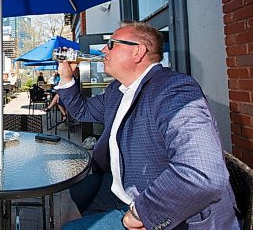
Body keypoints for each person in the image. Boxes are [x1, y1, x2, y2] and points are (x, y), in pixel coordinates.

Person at [57, 21, 239, 230]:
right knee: (81, 188)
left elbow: (204, 174)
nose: (103, 49)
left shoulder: (174, 90)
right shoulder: (117, 89)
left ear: (138, 52)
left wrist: (143, 213)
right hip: (128, 186)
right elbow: (82, 111)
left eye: (112, 44)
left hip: (169, 209)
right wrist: (66, 77)